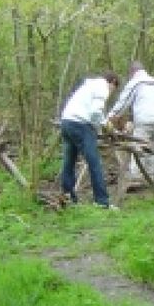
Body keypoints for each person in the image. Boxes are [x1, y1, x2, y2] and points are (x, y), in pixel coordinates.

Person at [59, 72, 120, 209]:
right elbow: (95, 113)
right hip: (80, 124)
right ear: (112, 82)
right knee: (95, 163)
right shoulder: (102, 87)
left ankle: (68, 197)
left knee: (69, 162)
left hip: (66, 122)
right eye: (113, 89)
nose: (111, 92)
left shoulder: (87, 86)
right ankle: (102, 201)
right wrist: (106, 125)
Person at [107, 61, 154, 191]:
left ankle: (136, 179)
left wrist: (109, 118)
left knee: (138, 147)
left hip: (144, 119)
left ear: (132, 72)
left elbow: (123, 103)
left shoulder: (136, 82)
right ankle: (149, 177)